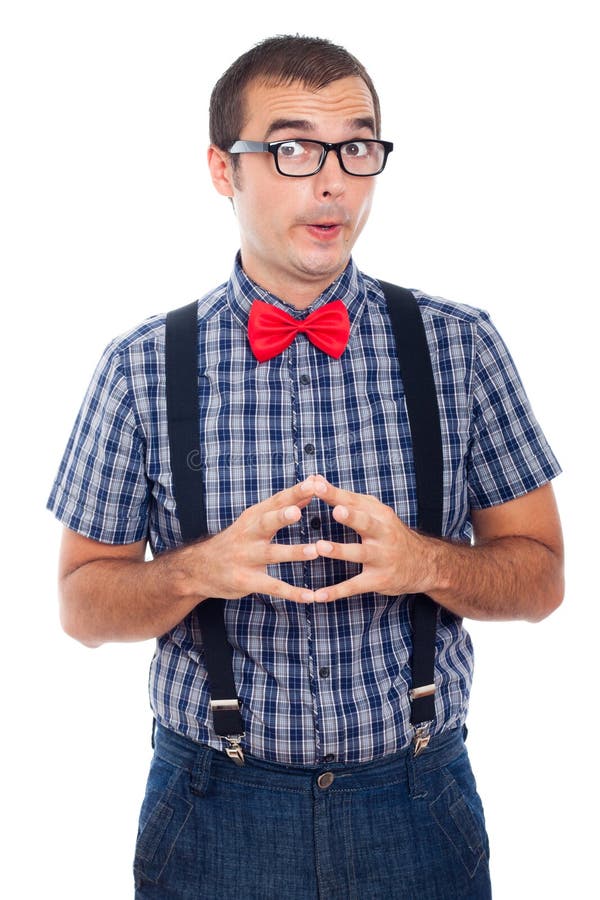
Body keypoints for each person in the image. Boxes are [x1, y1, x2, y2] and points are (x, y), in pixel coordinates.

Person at [47, 35, 563, 900]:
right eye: (292, 150)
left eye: (356, 149)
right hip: (211, 808)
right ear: (224, 169)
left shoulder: (460, 347)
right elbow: (80, 605)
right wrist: (196, 571)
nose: (331, 183)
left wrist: (426, 562)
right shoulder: (139, 365)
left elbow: (542, 579)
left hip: (416, 802)